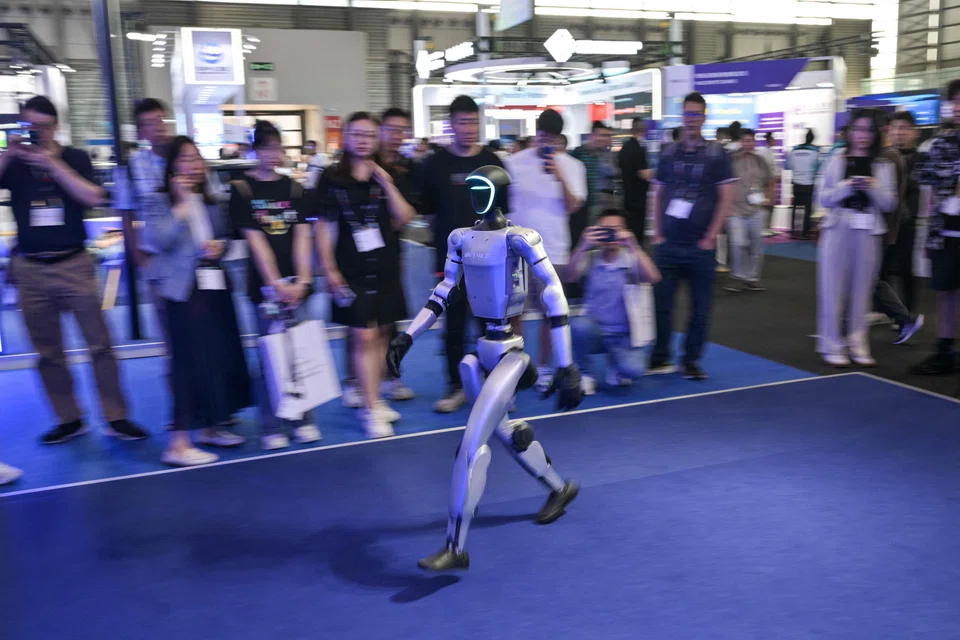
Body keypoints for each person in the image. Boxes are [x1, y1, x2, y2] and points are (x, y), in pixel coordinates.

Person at [386, 165, 582, 572]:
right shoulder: (461, 237)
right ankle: (560, 488)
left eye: (484, 188)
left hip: (512, 353)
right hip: (480, 352)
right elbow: (443, 291)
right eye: (472, 188)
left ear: (500, 192)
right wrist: (408, 336)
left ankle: (455, 547)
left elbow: (553, 291)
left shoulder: (520, 238)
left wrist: (566, 365)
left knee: (471, 443)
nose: (476, 195)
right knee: (507, 432)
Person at [2, 95, 146, 444]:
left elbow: (93, 197)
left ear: (55, 127)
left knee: (100, 344)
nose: (37, 133)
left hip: (74, 263)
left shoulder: (74, 158)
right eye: (30, 126)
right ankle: (69, 418)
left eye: (43, 127)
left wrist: (53, 164)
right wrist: (9, 153)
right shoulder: (14, 163)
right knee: (47, 351)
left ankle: (116, 416)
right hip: (30, 268)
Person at [143, 136, 251, 466]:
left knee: (218, 356)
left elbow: (227, 238)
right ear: (172, 166)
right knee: (187, 363)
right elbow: (157, 241)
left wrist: (220, 246)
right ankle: (177, 444)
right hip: (182, 289)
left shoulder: (212, 198)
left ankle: (210, 426)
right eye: (186, 159)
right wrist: (181, 205)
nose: (193, 165)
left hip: (214, 285)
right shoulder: (158, 200)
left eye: (197, 158)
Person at [316, 112, 416, 438]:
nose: (363, 141)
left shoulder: (388, 175)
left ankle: (374, 397)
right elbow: (322, 227)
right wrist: (329, 269)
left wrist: (387, 183)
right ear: (346, 137)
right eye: (357, 134)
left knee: (382, 333)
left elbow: (404, 218)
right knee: (364, 336)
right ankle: (370, 408)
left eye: (370, 135)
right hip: (349, 268)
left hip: (384, 266)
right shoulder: (331, 177)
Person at [230, 121, 322, 450]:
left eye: (277, 148)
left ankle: (303, 420)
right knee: (270, 358)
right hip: (264, 288)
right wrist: (275, 285)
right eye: (266, 148)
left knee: (301, 354)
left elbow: (303, 236)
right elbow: (255, 241)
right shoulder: (242, 190)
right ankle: (272, 425)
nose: (272, 154)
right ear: (255, 150)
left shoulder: (294, 189)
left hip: (296, 286)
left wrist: (303, 281)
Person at [419, 96, 508, 413]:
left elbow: (504, 213)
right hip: (451, 262)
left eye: (473, 122)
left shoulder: (493, 162)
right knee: (453, 325)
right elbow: (429, 215)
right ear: (451, 125)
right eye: (462, 122)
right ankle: (456, 386)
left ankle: (496, 387)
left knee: (491, 325)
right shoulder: (434, 165)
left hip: (489, 262)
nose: (469, 128)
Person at [649, 92, 736, 380]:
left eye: (697, 114)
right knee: (661, 306)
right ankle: (660, 357)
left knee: (700, 309)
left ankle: (690, 360)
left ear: (704, 117)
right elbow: (658, 193)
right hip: (669, 244)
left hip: (701, 245)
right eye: (688, 114)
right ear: (682, 116)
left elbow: (726, 198)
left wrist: (711, 237)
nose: (692, 119)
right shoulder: (668, 153)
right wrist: (657, 233)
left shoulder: (717, 154)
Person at [339, 108, 419, 408]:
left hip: (388, 257)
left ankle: (387, 378)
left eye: (402, 131)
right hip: (352, 262)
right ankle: (355, 382)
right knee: (359, 328)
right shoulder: (342, 174)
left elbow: (404, 217)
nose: (396, 136)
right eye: (391, 129)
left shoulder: (401, 171)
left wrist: (387, 188)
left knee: (386, 325)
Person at [505, 108, 587, 391]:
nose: (546, 142)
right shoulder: (513, 163)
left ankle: (542, 368)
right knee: (513, 314)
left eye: (552, 137)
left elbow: (573, 206)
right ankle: (518, 368)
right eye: (542, 136)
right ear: (536, 133)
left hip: (553, 250)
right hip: (516, 250)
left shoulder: (573, 166)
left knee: (549, 314)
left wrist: (559, 175)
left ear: (559, 138)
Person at [816, 109, 897, 367]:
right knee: (833, 289)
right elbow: (823, 197)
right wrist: (847, 186)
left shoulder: (883, 164)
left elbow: (889, 203)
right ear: (850, 131)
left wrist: (873, 186)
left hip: (868, 230)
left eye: (869, 130)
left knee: (863, 289)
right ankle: (831, 344)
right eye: (858, 129)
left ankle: (858, 342)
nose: (863, 135)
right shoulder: (836, 159)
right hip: (838, 228)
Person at [567, 210, 660, 394]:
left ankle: (616, 365)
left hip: (625, 334)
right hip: (595, 331)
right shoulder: (590, 257)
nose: (610, 234)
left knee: (633, 370)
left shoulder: (632, 258)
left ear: (625, 230)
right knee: (578, 326)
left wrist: (634, 245)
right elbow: (568, 277)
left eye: (616, 229)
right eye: (605, 229)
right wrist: (582, 246)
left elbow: (653, 277)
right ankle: (584, 374)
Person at [913, 80, 960, 375]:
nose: (957, 107)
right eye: (955, 101)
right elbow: (929, 193)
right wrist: (929, 234)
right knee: (945, 291)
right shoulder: (941, 145)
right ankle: (945, 351)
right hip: (946, 231)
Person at [726, 129, 772, 292]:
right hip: (735, 210)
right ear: (740, 142)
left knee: (756, 244)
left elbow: (769, 180)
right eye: (745, 141)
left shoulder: (760, 160)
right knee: (738, 243)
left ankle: (752, 278)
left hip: (756, 209)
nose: (748, 144)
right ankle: (739, 276)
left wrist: (767, 199)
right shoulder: (730, 160)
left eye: (751, 141)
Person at [618, 118, 654, 246]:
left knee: (628, 228)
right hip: (638, 197)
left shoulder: (625, 147)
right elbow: (643, 173)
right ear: (643, 130)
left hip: (627, 195)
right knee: (637, 231)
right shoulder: (639, 149)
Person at [785, 128, 821, 239]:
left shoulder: (794, 151)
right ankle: (805, 232)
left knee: (795, 207)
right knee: (807, 208)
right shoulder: (815, 151)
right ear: (813, 139)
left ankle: (793, 231)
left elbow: (788, 166)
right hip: (808, 183)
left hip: (796, 183)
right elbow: (818, 167)